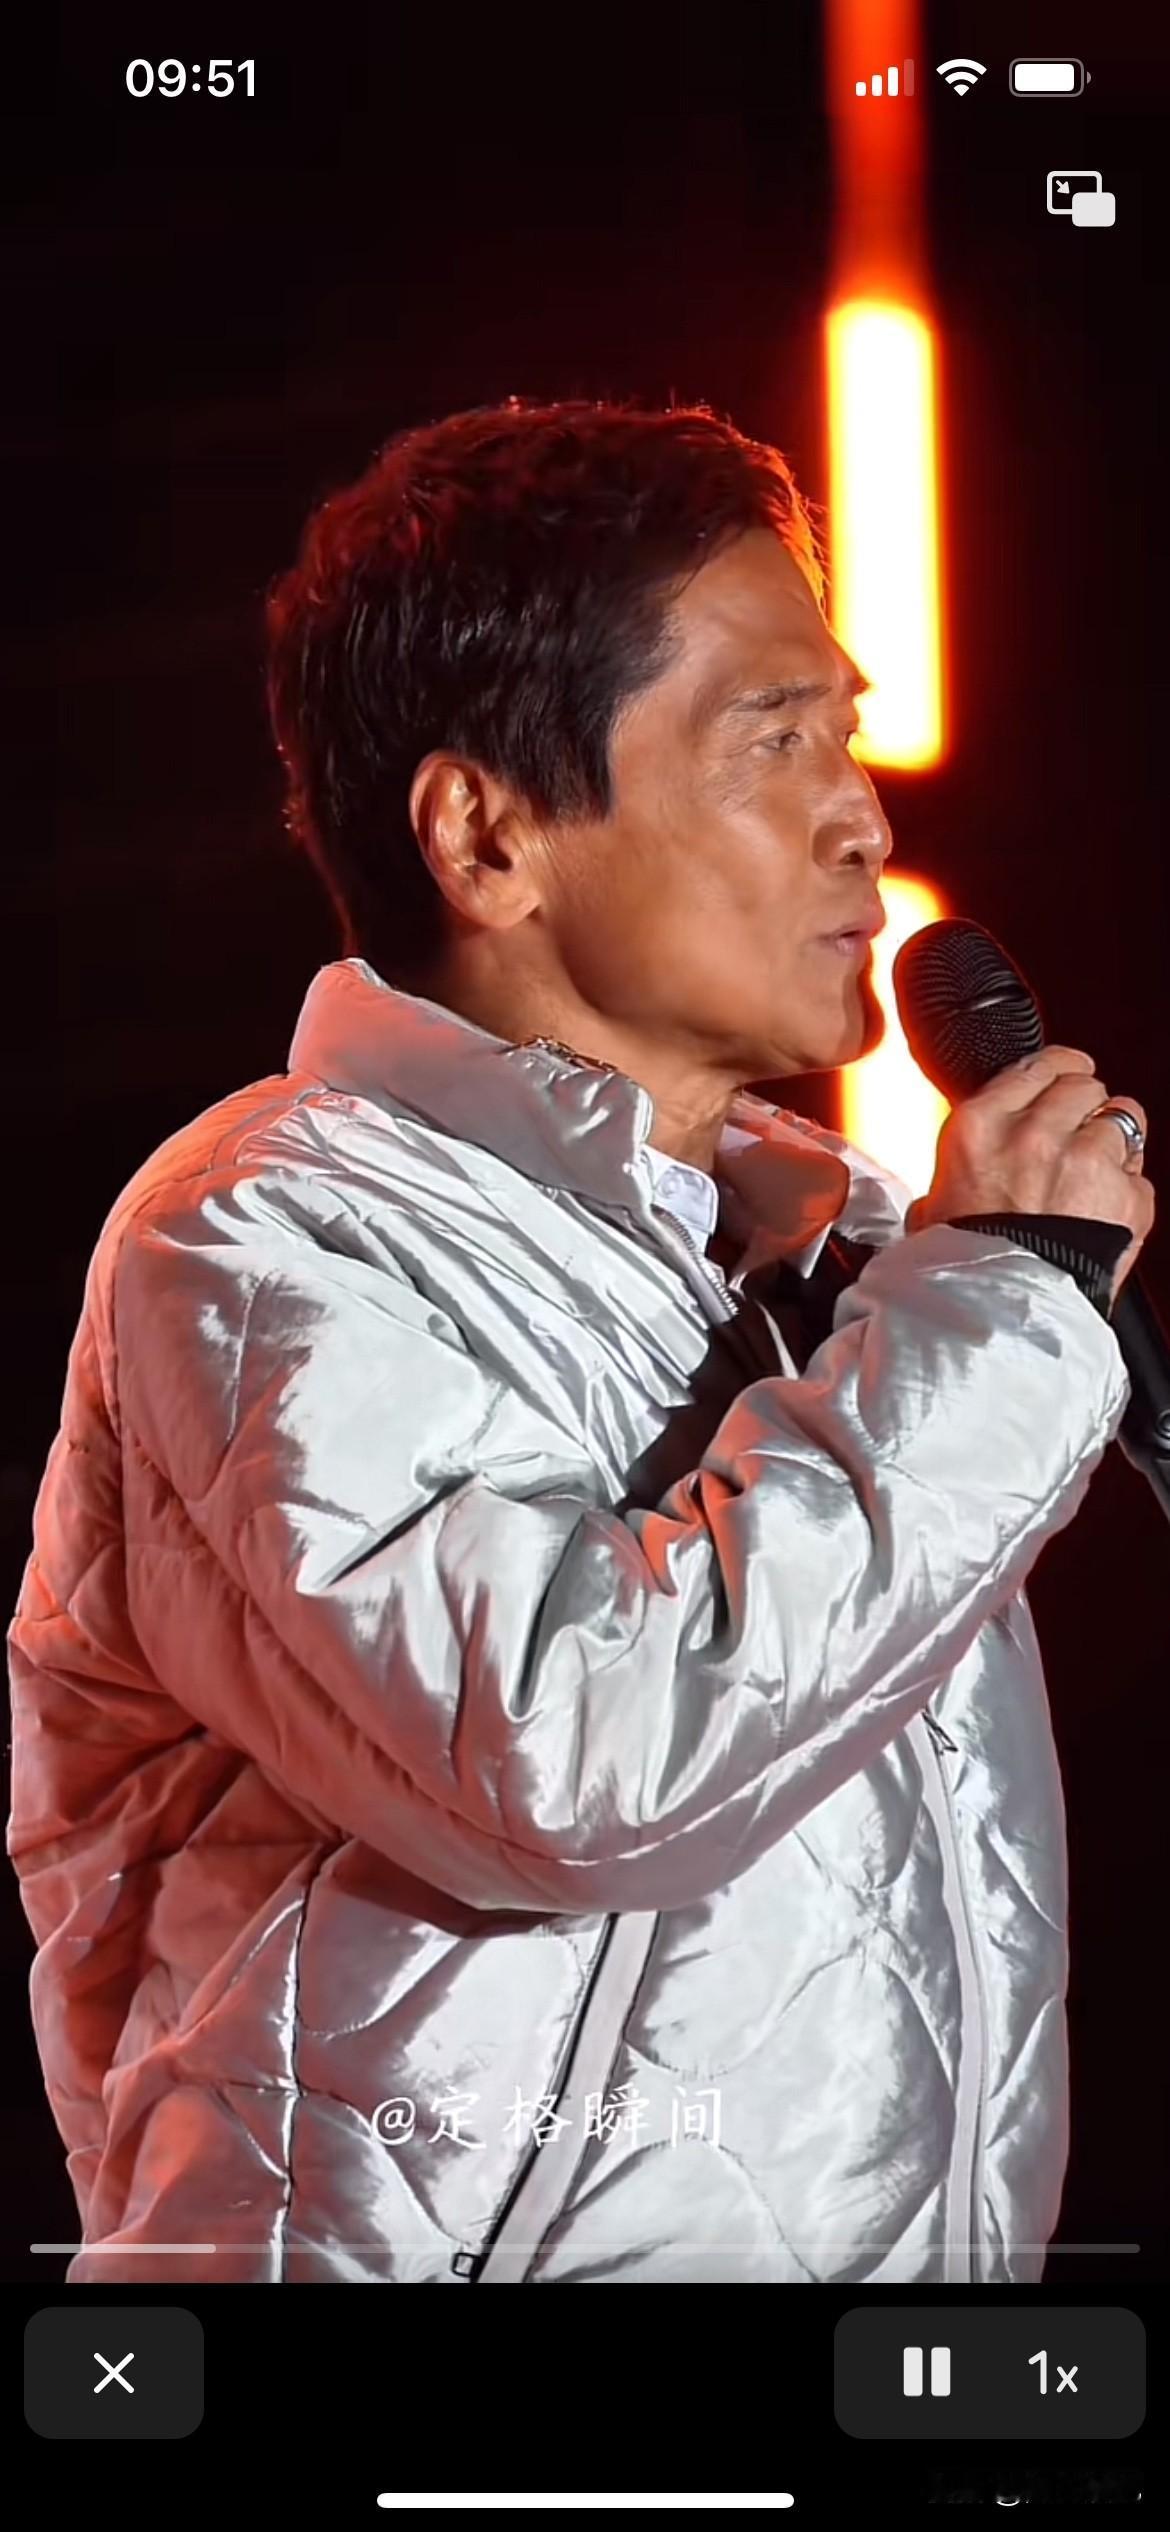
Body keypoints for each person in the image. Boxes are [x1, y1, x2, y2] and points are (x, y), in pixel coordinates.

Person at [7, 398, 1154, 2285]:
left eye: (845, 733)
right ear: (486, 836)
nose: (860, 817)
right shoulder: (264, 1234)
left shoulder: (845, 1268)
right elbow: (571, 1766)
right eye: (771, 740)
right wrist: (1005, 1306)